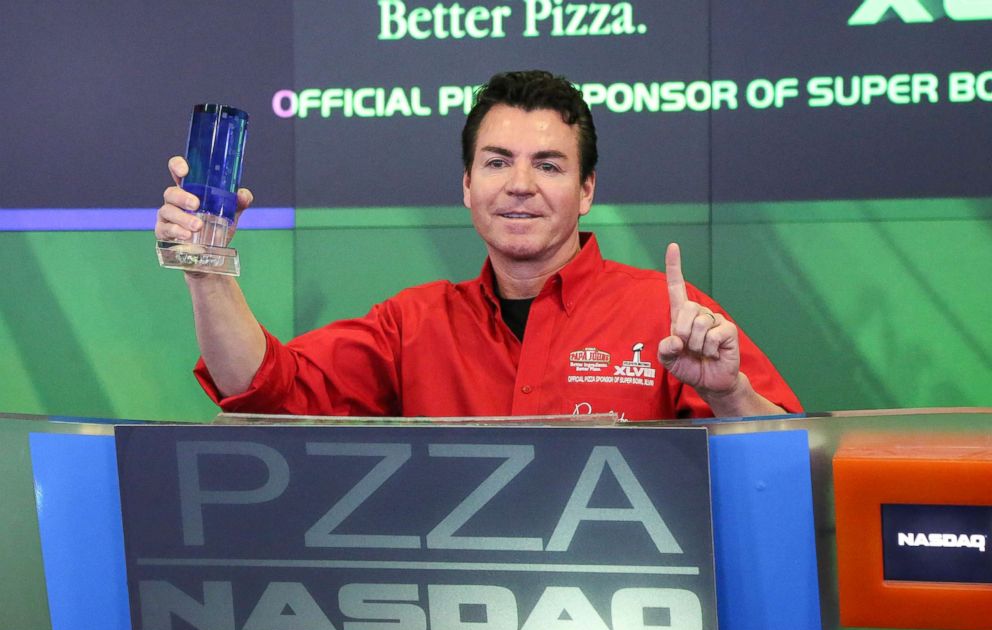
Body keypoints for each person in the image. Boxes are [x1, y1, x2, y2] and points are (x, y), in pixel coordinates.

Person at [155, 70, 801, 421]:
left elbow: (785, 468)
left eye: (548, 165)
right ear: (467, 186)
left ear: (586, 191)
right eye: (497, 163)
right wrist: (205, 269)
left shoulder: (670, 319)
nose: (519, 186)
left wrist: (727, 394)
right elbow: (265, 389)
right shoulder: (410, 327)